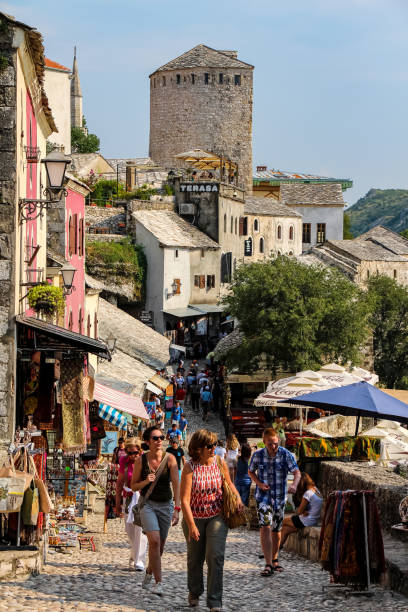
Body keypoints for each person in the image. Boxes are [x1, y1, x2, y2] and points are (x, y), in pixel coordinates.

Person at [180, 429, 244, 611]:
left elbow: (229, 484)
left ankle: (215, 600)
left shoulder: (219, 462)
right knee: (195, 558)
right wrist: (191, 525)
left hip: (217, 516)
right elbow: (184, 499)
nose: (214, 448)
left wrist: (237, 498)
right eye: (209, 445)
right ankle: (194, 590)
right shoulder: (190, 467)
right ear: (198, 448)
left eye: (215, 444)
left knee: (215, 556)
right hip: (194, 518)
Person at [131, 426, 180, 596]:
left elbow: (176, 484)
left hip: (166, 505)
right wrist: (145, 481)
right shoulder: (141, 461)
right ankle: (159, 582)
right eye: (155, 438)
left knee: (159, 548)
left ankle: (149, 573)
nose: (159, 440)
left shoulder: (171, 459)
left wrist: (177, 508)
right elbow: (133, 486)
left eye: (161, 437)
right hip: (148, 504)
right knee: (154, 541)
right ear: (147, 441)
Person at [249, 427, 300, 576]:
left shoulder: (285, 454)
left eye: (275, 443)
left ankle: (275, 559)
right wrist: (259, 484)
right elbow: (250, 471)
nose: (273, 447)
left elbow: (296, 472)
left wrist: (294, 485)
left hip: (279, 497)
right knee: (265, 526)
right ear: (264, 442)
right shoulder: (258, 455)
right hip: (263, 497)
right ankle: (268, 564)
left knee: (277, 530)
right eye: (270, 444)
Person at [115, 438, 147, 571]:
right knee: (130, 530)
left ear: (140, 450)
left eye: (135, 452)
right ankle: (134, 555)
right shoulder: (124, 461)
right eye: (129, 453)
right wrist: (117, 503)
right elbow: (120, 482)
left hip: (142, 498)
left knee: (140, 530)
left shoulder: (146, 460)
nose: (133, 456)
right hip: (128, 498)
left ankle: (139, 560)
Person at [280, 472, 323, 548]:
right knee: (285, 529)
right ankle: (278, 547)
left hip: (306, 520)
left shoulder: (308, 493)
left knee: (283, 522)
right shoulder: (316, 490)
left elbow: (299, 511)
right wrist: (303, 511)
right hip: (314, 520)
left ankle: (272, 545)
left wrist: (301, 511)